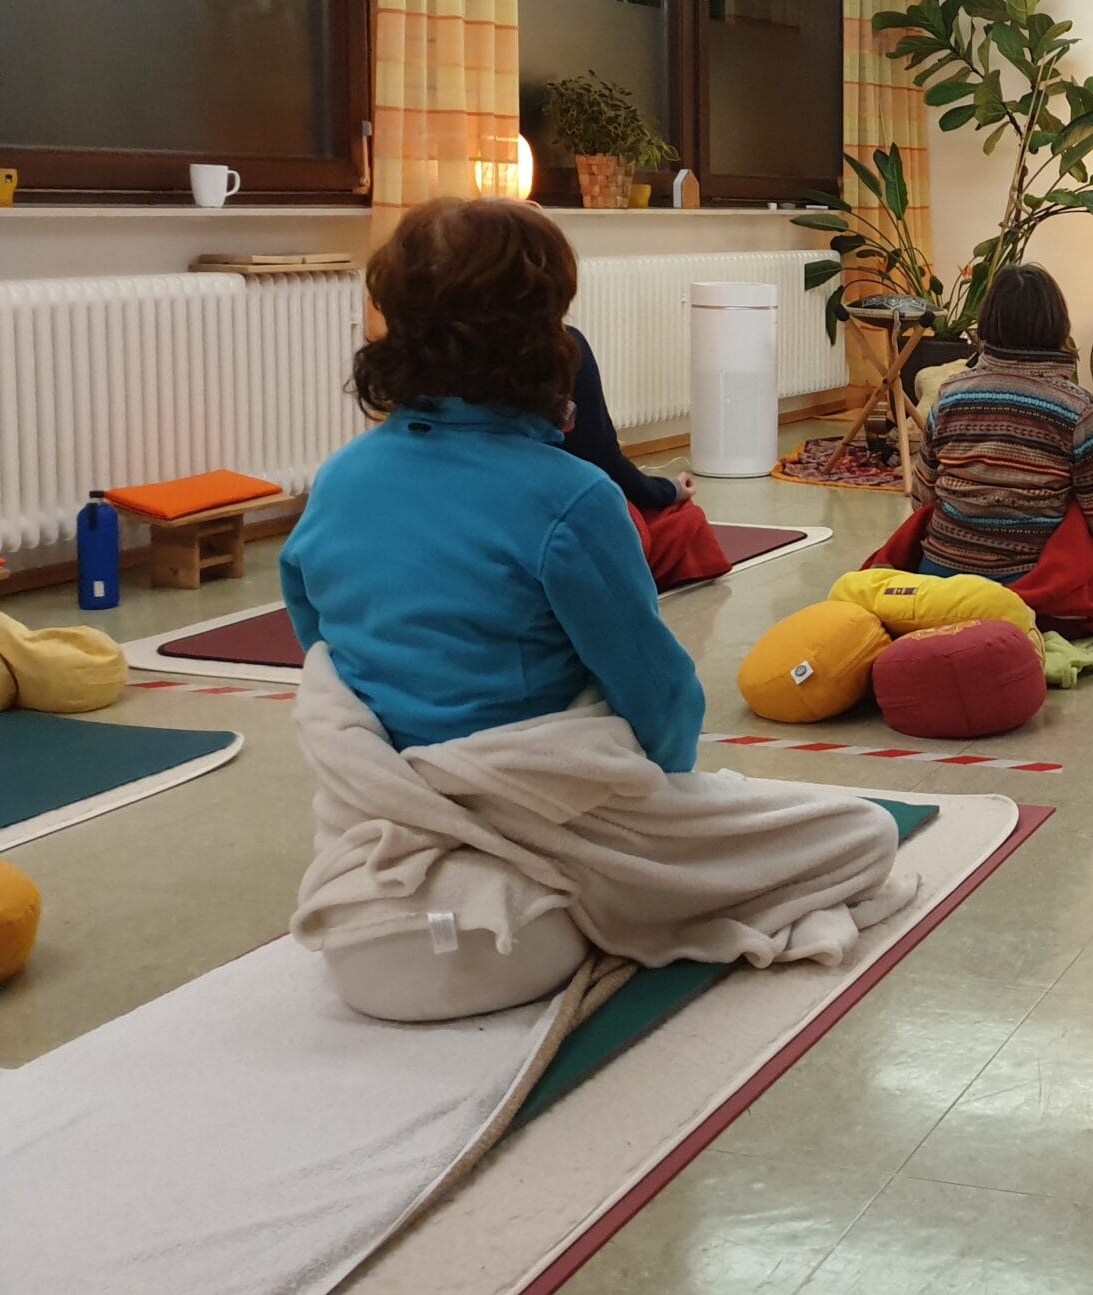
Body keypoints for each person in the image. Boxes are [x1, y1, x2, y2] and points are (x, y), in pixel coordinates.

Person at [283, 199, 903, 1021]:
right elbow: (657, 697)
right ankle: (583, 884)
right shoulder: (571, 498)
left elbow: (319, 643)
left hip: (377, 856)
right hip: (531, 871)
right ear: (541, 334)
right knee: (864, 832)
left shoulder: (338, 479)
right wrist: (664, 806)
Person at [915, 263, 1093, 585]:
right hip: (1028, 583)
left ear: (987, 323)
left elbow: (922, 500)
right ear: (1058, 324)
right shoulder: (1075, 407)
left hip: (939, 575)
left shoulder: (949, 394)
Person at [561, 324, 729, 589]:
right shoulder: (565, 345)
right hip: (556, 512)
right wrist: (666, 490)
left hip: (492, 510)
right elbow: (601, 456)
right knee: (683, 522)